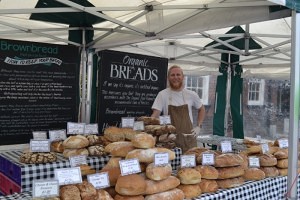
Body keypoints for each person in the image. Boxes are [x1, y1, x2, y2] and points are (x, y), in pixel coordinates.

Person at [151, 65, 205, 152]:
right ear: (168, 78)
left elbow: (201, 109)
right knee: (170, 164)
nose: (175, 77)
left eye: (178, 75)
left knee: (188, 165)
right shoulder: (162, 94)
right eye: (172, 75)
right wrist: (149, 130)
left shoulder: (191, 94)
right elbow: (155, 114)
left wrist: (199, 126)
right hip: (169, 139)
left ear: (183, 77)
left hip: (188, 139)